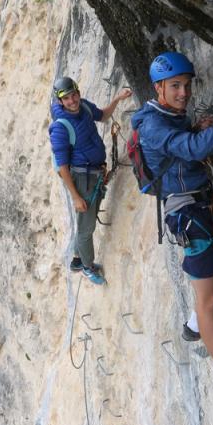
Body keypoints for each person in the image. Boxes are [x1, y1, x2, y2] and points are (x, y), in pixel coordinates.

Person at [130, 51, 213, 395]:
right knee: (207, 301)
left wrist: (195, 127)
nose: (184, 93)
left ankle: (194, 325)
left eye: (187, 85)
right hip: (188, 215)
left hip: (204, 204)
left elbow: (182, 147)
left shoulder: (170, 116)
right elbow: (189, 150)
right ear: (159, 86)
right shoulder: (152, 124)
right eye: (175, 86)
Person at [49, 77, 133, 285]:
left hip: (94, 173)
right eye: (66, 98)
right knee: (86, 229)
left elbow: (103, 116)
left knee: (87, 220)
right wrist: (76, 197)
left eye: (74, 95)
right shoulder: (61, 128)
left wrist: (117, 99)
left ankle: (77, 260)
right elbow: (62, 167)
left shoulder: (84, 107)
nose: (72, 100)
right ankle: (87, 267)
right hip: (81, 178)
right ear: (60, 102)